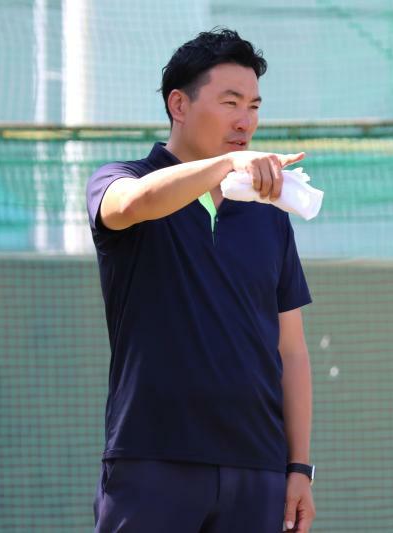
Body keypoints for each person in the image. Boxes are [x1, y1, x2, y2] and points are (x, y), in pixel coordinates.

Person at [86, 29, 315, 533]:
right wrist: (224, 165)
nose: (245, 120)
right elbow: (131, 203)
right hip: (151, 458)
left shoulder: (269, 213)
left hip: (257, 468)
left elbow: (292, 350)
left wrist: (298, 468)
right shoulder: (122, 177)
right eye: (230, 101)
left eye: (254, 106)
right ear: (179, 105)